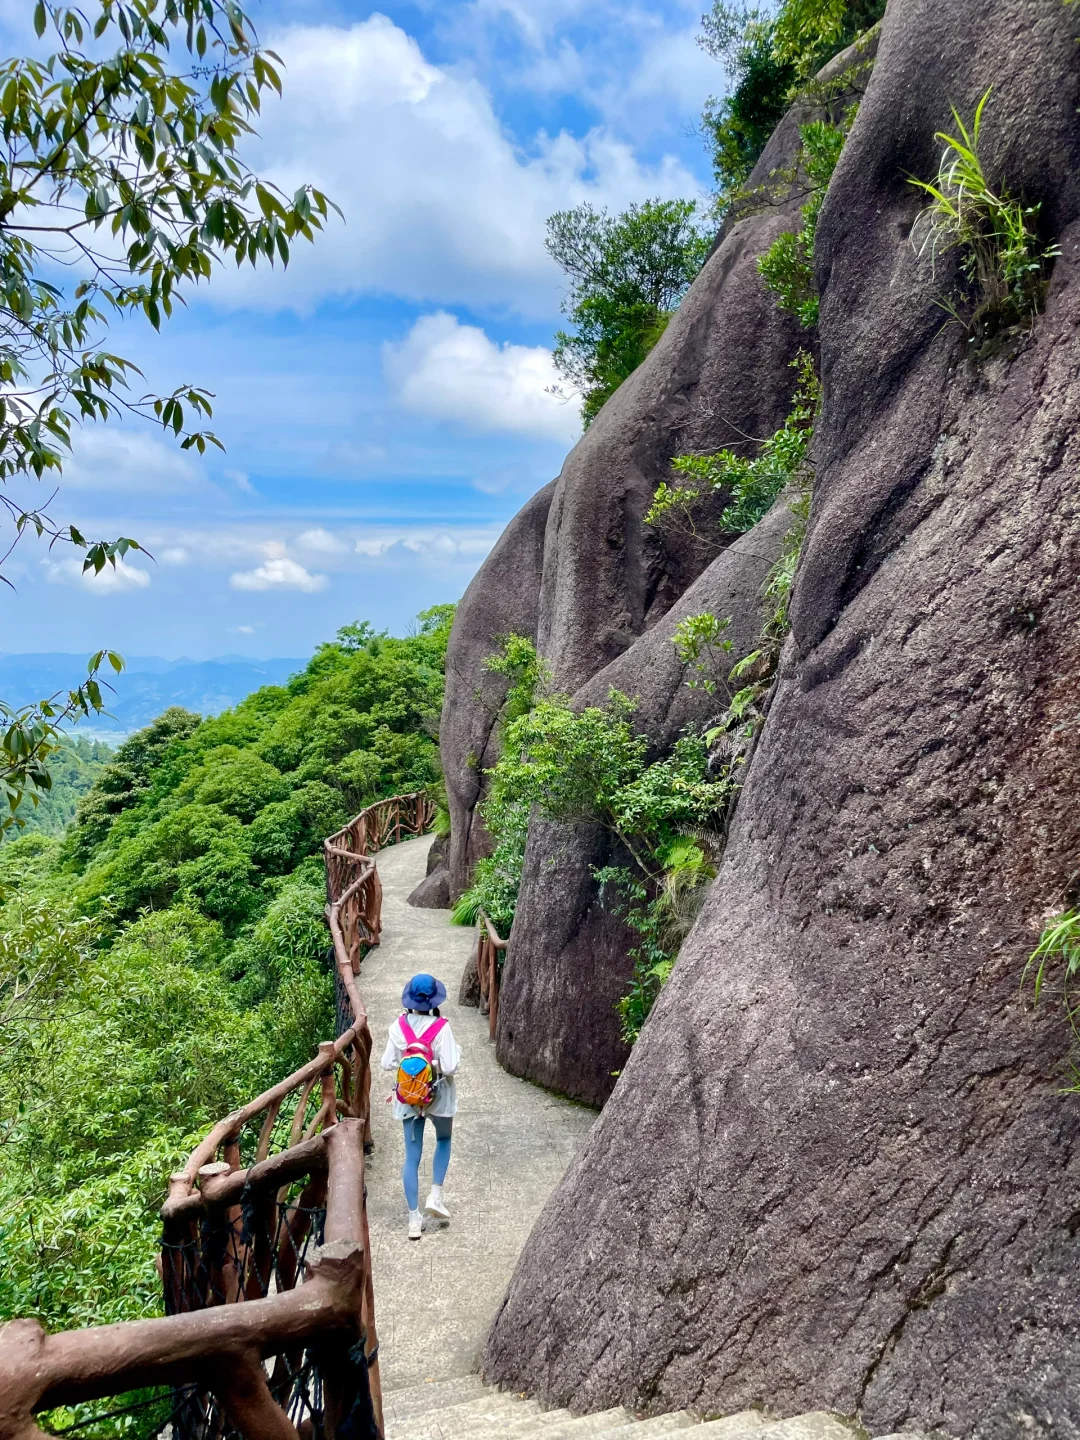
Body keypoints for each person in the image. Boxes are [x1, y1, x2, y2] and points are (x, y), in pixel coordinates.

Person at [381, 972, 461, 1240]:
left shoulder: (398, 1027)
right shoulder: (443, 1027)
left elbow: (387, 1063)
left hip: (408, 1097)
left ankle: (414, 1220)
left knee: (411, 1158)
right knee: (444, 1139)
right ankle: (435, 1196)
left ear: (411, 1000)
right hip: (439, 1094)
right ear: (434, 1000)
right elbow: (450, 1066)